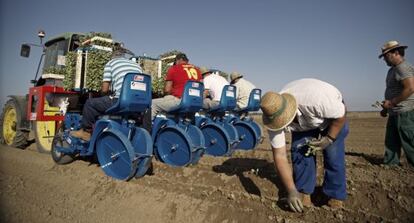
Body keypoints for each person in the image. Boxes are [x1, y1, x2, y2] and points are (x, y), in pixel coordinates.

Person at [260, 78, 348, 212]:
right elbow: (280, 156)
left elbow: (341, 114)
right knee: (300, 151)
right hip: (306, 123)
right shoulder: (273, 115)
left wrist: (329, 138)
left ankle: (335, 194)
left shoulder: (317, 102)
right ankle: (303, 191)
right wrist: (291, 190)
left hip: (331, 116)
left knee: (333, 155)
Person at [70, 46, 142, 141]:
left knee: (90, 103)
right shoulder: (137, 66)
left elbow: (104, 89)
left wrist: (105, 96)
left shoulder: (111, 63)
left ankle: (86, 132)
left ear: (112, 56)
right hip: (137, 103)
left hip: (120, 102)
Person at [378, 40, 414, 167]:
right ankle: (391, 164)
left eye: (386, 56)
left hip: (405, 112)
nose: (385, 60)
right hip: (394, 111)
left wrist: (392, 102)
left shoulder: (402, 67)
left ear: (396, 53)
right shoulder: (393, 70)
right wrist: (386, 108)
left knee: (409, 139)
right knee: (391, 140)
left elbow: (410, 88)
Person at [151, 53, 202, 119]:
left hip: (181, 101)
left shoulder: (174, 68)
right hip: (196, 102)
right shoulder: (197, 70)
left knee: (153, 104)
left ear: (178, 60)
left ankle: (148, 128)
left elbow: (167, 90)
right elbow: (201, 86)